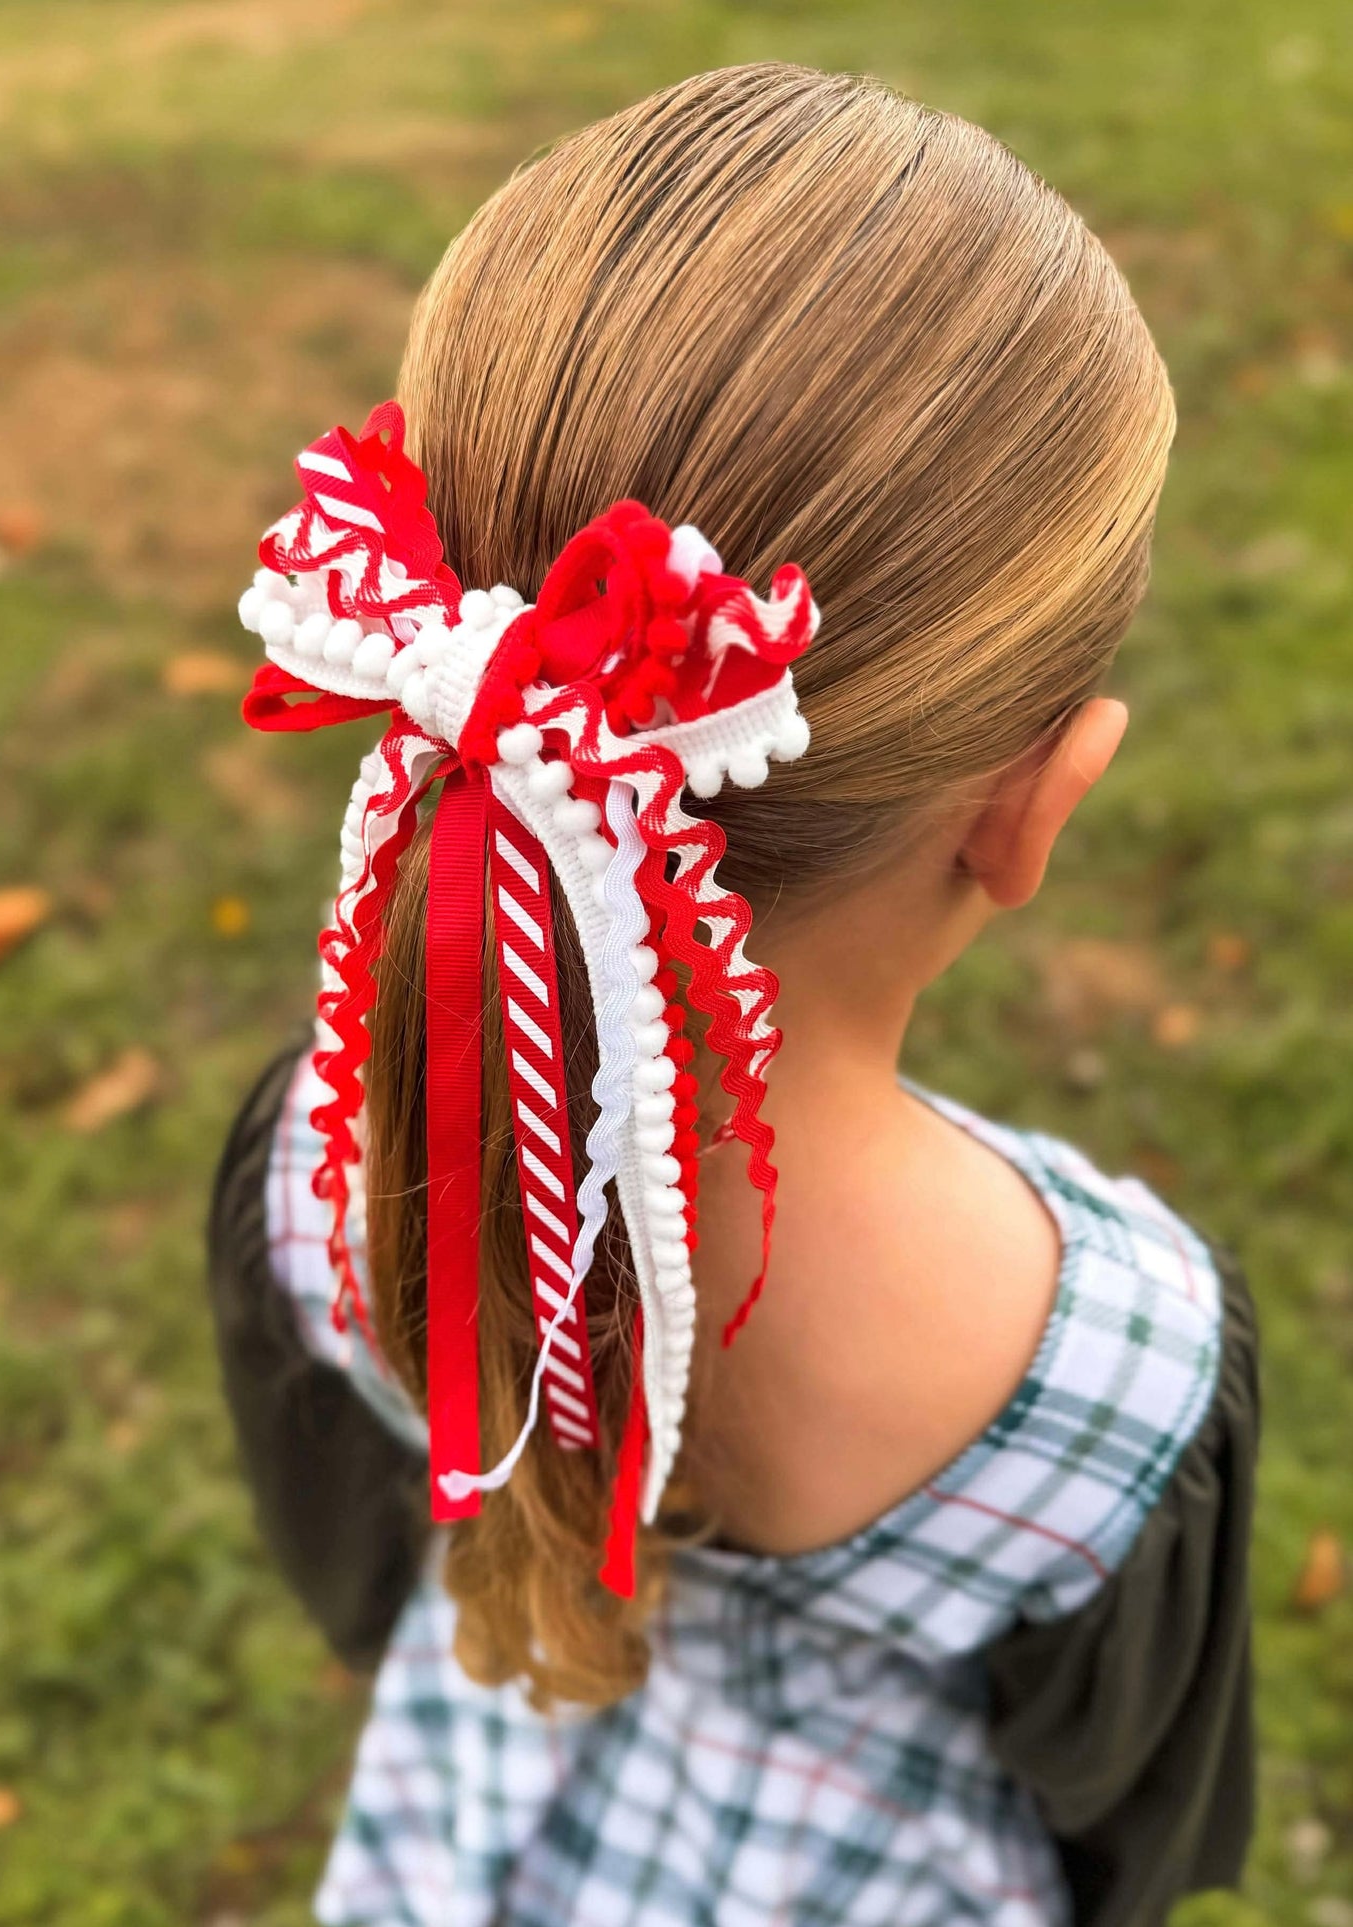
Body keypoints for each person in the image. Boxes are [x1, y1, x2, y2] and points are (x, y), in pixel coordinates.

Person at [208, 63, 1257, 1927]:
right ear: (1033, 807)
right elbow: (1130, 1822)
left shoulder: (316, 1157)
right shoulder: (1118, 1362)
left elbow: (356, 1566)